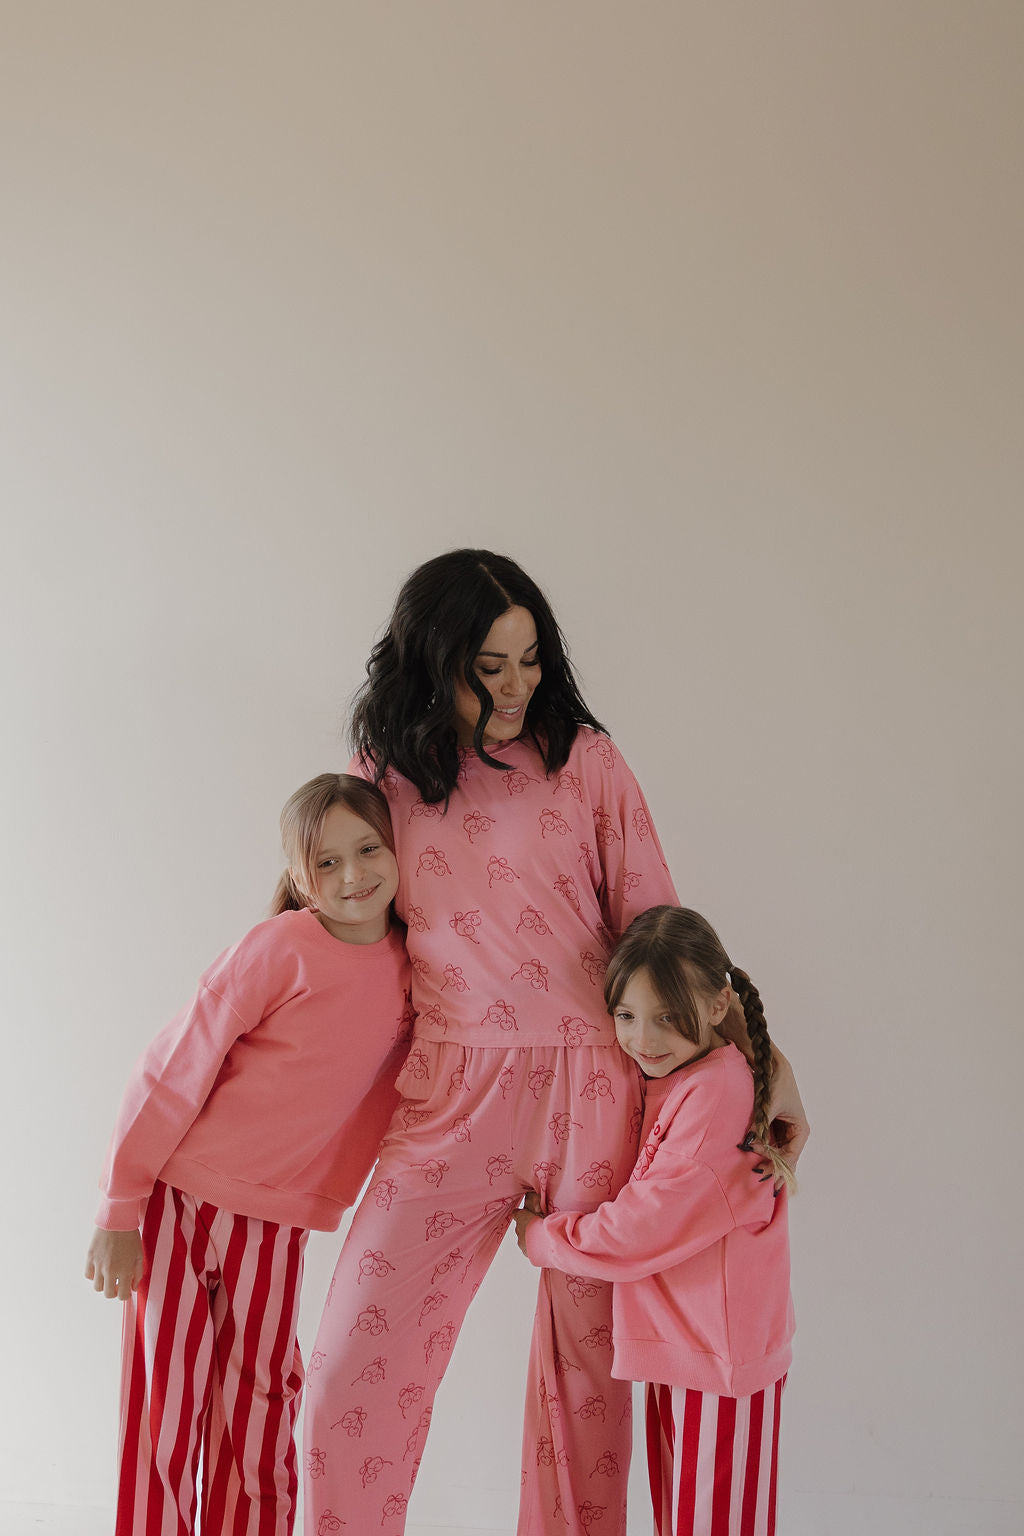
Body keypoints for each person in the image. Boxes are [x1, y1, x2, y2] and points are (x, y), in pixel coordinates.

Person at [302, 549, 808, 1536]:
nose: (516, 686)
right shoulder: (383, 779)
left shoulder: (585, 759)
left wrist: (764, 1063)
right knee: (351, 1367)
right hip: (452, 1091)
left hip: (596, 1090)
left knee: (586, 1388)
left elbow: (661, 930)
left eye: (529, 659)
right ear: (430, 657)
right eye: (488, 665)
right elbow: (338, 918)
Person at [85, 774, 413, 1536]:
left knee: (262, 1408)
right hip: (179, 1201)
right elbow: (170, 1072)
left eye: (368, 850)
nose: (353, 875)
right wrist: (118, 1208)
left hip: (274, 1223)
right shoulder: (280, 947)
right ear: (299, 877)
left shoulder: (411, 970)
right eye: (326, 863)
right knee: (166, 1400)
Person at [514, 906, 794, 1536]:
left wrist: (542, 1238)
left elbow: (643, 1229)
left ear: (718, 1005)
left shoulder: (717, 1092)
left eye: (668, 1017)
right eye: (626, 1015)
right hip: (687, 1351)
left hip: (718, 1361)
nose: (644, 1038)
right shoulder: (686, 1078)